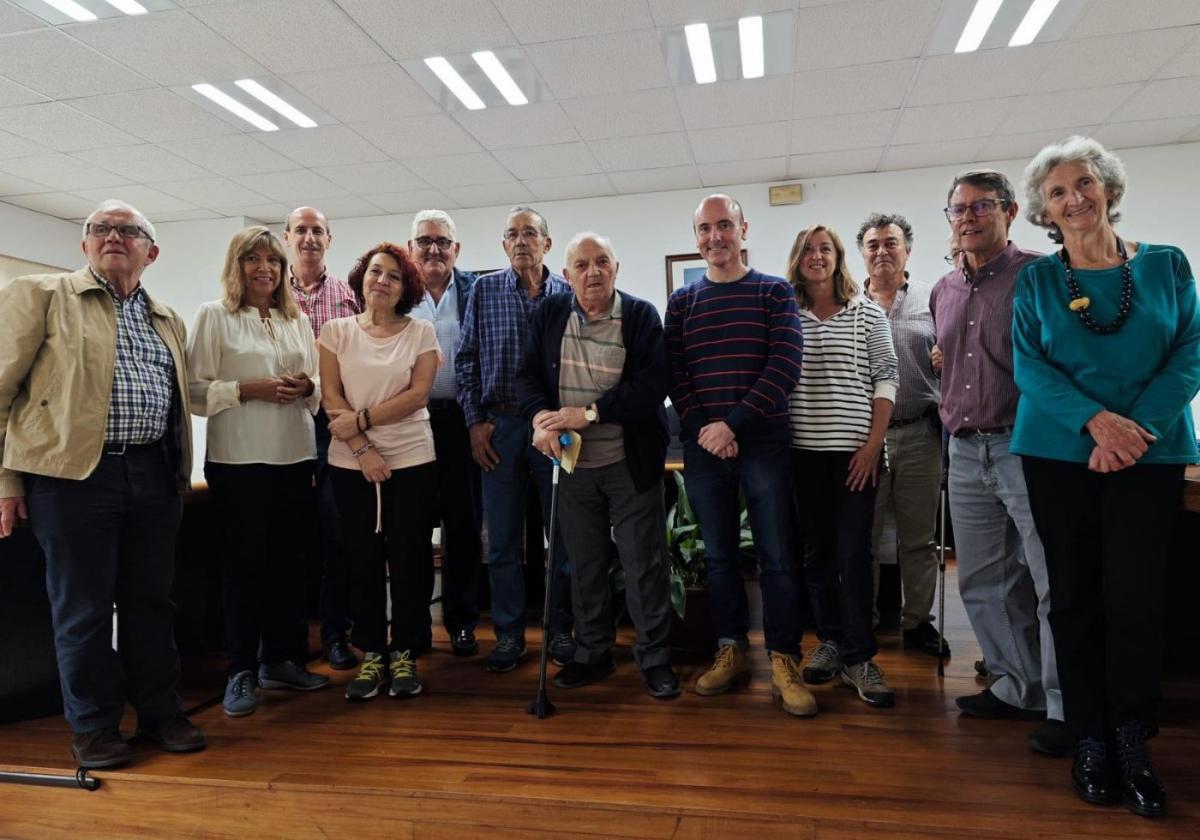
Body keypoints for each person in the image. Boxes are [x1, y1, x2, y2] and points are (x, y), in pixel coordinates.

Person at [1013, 136, 1200, 817]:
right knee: (1073, 597)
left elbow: (1190, 350)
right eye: (1058, 191)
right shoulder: (1037, 280)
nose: (1074, 198)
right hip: (1059, 452)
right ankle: (1089, 734)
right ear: (1045, 209)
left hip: (1149, 450)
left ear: (1108, 190)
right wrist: (1096, 424)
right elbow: (1030, 366)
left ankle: (1131, 737)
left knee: (1137, 598)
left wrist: (1131, 429)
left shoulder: (1167, 266)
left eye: (1084, 183)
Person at [0, 199, 205, 768]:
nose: (113, 235)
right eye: (101, 229)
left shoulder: (167, 318)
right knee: (83, 610)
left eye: (129, 230)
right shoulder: (40, 296)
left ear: (151, 251)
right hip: (71, 479)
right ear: (85, 244)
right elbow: (1, 393)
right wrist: (5, 481)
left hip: (152, 473)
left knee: (151, 604)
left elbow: (182, 396)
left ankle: (161, 715)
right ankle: (93, 728)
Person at [929, 169, 1068, 757]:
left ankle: (1066, 704)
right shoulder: (944, 288)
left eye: (980, 206)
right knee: (983, 580)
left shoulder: (1040, 274)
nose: (967, 217)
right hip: (963, 449)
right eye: (958, 209)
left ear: (1009, 211)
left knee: (1049, 580)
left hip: (1025, 447)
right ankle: (1018, 686)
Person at [663, 194, 811, 717]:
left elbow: (784, 367)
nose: (715, 237)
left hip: (763, 443)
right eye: (705, 229)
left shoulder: (773, 292)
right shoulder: (683, 304)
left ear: (743, 229)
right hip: (705, 450)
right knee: (720, 557)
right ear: (696, 237)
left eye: (724, 225)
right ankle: (730, 649)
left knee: (776, 557)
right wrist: (708, 429)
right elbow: (676, 374)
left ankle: (784, 657)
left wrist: (733, 424)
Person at [517, 232, 679, 699]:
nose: (593, 272)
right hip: (571, 466)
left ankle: (654, 658)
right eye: (582, 265)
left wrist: (588, 414)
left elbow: (653, 385)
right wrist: (539, 422)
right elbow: (527, 377)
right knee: (584, 565)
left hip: (629, 463)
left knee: (642, 563)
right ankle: (593, 653)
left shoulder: (641, 316)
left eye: (602, 262)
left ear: (616, 268)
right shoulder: (549, 314)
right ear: (566, 276)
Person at [188, 226, 328, 718]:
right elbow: (195, 392)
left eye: (273, 260)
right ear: (237, 265)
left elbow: (318, 391)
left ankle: (283, 660)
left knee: (290, 566)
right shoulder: (214, 317)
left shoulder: (296, 319)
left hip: (294, 456)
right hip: (238, 461)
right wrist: (249, 389)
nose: (265, 268)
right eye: (253, 259)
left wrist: (303, 385)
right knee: (244, 568)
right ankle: (241, 670)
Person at [319, 243, 441, 701]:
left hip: (411, 459)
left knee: (410, 558)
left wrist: (364, 421)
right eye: (375, 272)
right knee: (361, 560)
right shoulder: (336, 332)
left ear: (405, 287)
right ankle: (373, 653)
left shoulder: (421, 332)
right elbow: (331, 397)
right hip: (350, 462)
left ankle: (406, 650)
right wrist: (363, 446)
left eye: (393, 276)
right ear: (361, 278)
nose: (382, 281)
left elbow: (418, 395)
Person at [456, 206, 575, 673]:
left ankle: (561, 629)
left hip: (555, 429)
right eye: (512, 234)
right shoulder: (484, 291)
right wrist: (473, 423)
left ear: (547, 242)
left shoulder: (567, 293)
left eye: (530, 233)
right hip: (500, 428)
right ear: (503, 245)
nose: (521, 241)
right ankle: (508, 636)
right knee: (501, 540)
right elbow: (466, 361)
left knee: (561, 535)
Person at [787, 223, 899, 709]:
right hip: (800, 455)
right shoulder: (785, 315)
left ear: (838, 258)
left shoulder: (867, 312)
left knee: (854, 555)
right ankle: (830, 641)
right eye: (809, 250)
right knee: (817, 556)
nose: (817, 256)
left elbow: (887, 379)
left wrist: (873, 446)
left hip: (857, 456)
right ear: (798, 258)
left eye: (825, 249)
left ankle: (859, 656)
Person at [859, 214, 946, 656]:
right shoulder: (847, 304)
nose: (881, 252)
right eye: (872, 245)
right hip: (863, 442)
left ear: (907, 250)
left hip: (918, 433)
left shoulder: (933, 300)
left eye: (890, 243)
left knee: (919, 538)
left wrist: (945, 360)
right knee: (865, 536)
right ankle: (865, 622)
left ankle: (917, 623)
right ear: (862, 254)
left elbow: (951, 362)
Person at [283, 206, 361, 671]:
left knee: (337, 535)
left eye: (317, 231)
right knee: (291, 537)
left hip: (334, 425)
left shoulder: (350, 296)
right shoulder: (268, 296)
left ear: (329, 239)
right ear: (286, 238)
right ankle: (287, 647)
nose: (309, 238)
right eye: (301, 231)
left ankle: (336, 634)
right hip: (282, 427)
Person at [409, 209, 483, 658]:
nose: (433, 249)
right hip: (410, 422)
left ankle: (461, 621)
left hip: (461, 421)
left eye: (442, 241)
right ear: (411, 247)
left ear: (456, 249)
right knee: (412, 526)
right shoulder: (396, 292)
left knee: (464, 526)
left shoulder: (477, 291)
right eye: (424, 241)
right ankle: (414, 624)